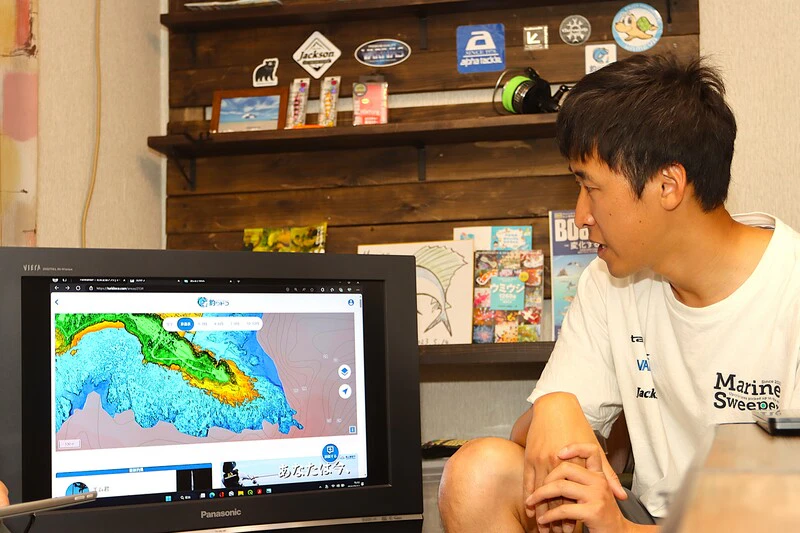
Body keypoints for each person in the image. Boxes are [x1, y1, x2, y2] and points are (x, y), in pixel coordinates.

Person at [438, 53, 800, 533]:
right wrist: (556, 403)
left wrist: (626, 531)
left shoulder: (789, 288)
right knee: (477, 473)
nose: (580, 216)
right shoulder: (609, 280)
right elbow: (532, 441)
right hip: (647, 515)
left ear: (668, 185)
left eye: (591, 187)